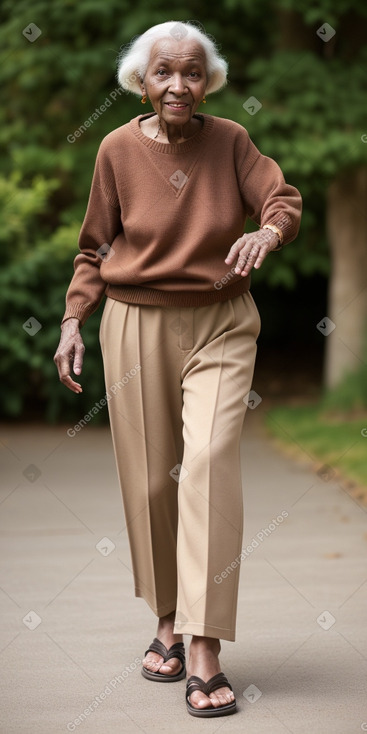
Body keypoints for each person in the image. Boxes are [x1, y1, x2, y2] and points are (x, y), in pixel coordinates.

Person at [54, 20, 302, 718]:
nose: (178, 85)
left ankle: (203, 643)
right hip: (134, 322)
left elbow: (281, 199)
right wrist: (73, 319)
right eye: (164, 72)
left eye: (191, 72)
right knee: (150, 477)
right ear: (141, 79)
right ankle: (165, 618)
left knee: (210, 462)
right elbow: (94, 245)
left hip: (221, 322)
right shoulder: (115, 148)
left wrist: (266, 230)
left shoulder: (229, 142)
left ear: (207, 80)